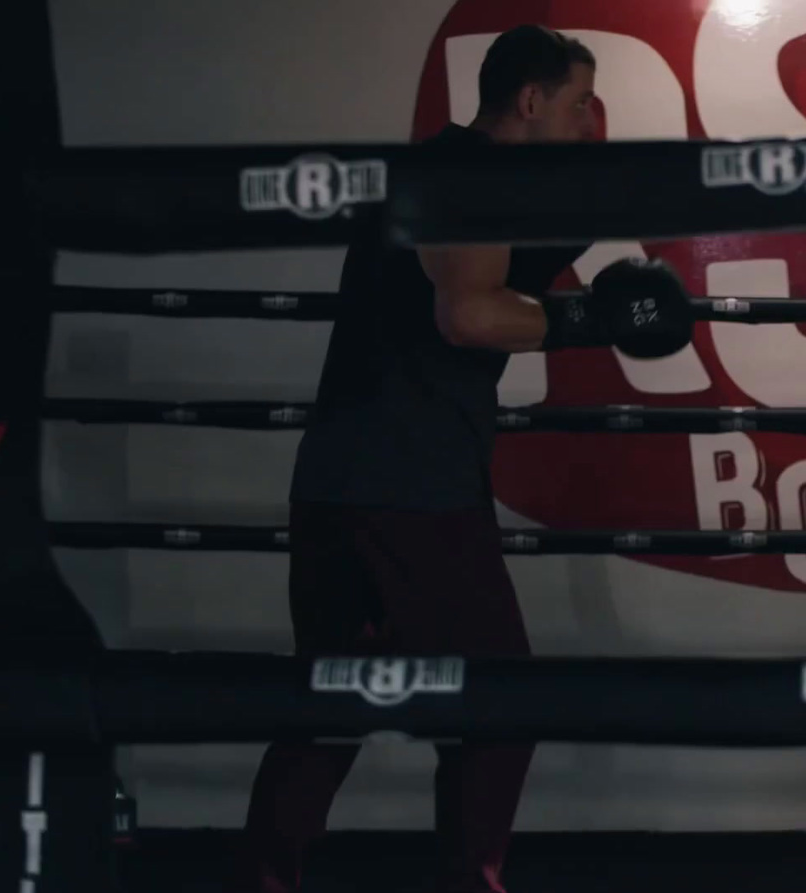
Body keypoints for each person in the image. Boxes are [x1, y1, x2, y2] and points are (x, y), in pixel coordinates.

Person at [232, 24, 693, 893]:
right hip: (409, 482)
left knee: (328, 710)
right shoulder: (473, 178)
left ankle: (261, 881)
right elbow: (470, 316)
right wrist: (584, 320)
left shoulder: (440, 169)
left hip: (338, 474)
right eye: (580, 102)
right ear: (530, 100)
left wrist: (591, 284)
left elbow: (482, 281)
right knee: (499, 704)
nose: (591, 121)